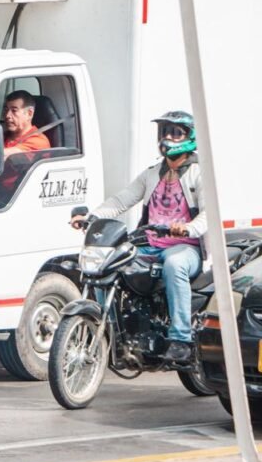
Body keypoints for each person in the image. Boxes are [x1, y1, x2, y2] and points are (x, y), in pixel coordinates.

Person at [70, 110, 205, 365]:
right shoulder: (152, 173)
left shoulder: (199, 174)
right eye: (165, 131)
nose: (168, 137)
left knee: (174, 266)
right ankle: (113, 329)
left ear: (190, 137)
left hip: (184, 248)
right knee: (109, 262)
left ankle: (181, 339)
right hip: (149, 244)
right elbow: (123, 199)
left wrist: (187, 228)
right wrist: (92, 216)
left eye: (175, 132)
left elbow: (210, 215)